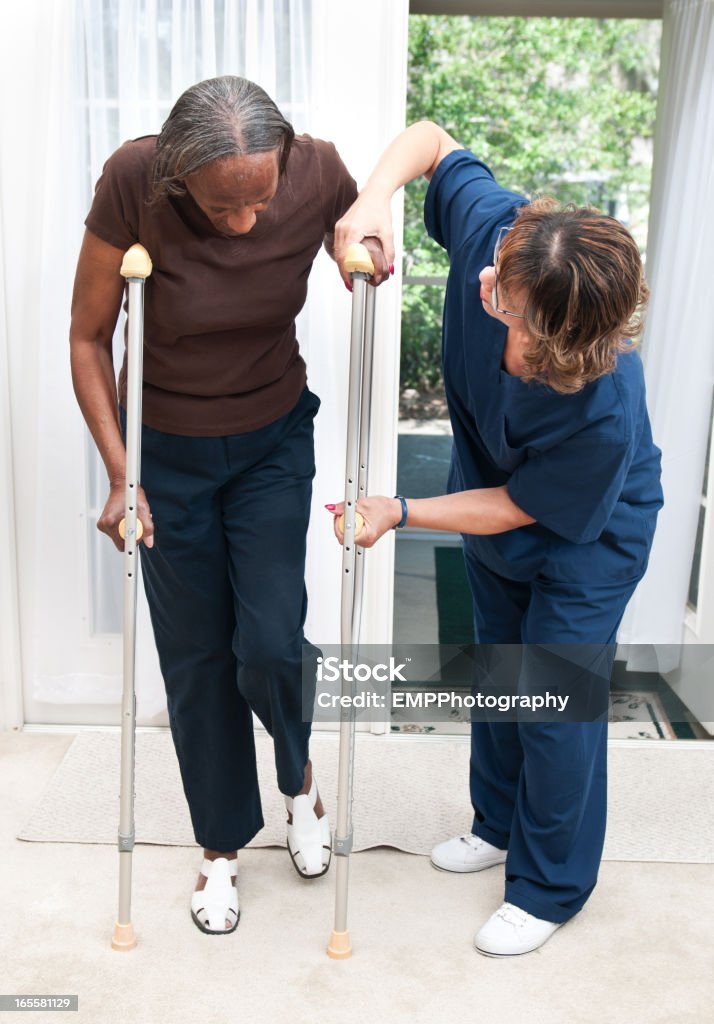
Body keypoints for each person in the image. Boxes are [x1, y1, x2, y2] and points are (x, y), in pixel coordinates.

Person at [330, 121, 663, 956]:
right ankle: (498, 824)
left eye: (519, 328)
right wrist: (374, 198)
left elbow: (520, 506)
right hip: (495, 497)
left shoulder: (602, 406)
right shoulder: (501, 236)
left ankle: (551, 887)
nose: (492, 310)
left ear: (574, 349)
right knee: (499, 669)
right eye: (499, 298)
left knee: (551, 699)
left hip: (589, 535)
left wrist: (397, 512)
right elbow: (433, 143)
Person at [70, 75, 387, 935]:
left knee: (271, 638)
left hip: (272, 438)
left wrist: (361, 241)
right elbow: (88, 336)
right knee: (198, 657)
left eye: (263, 201)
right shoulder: (134, 180)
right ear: (179, 180)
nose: (247, 222)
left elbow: (351, 227)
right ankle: (220, 848)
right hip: (164, 452)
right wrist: (120, 472)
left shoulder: (316, 169)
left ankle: (299, 779)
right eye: (223, 207)